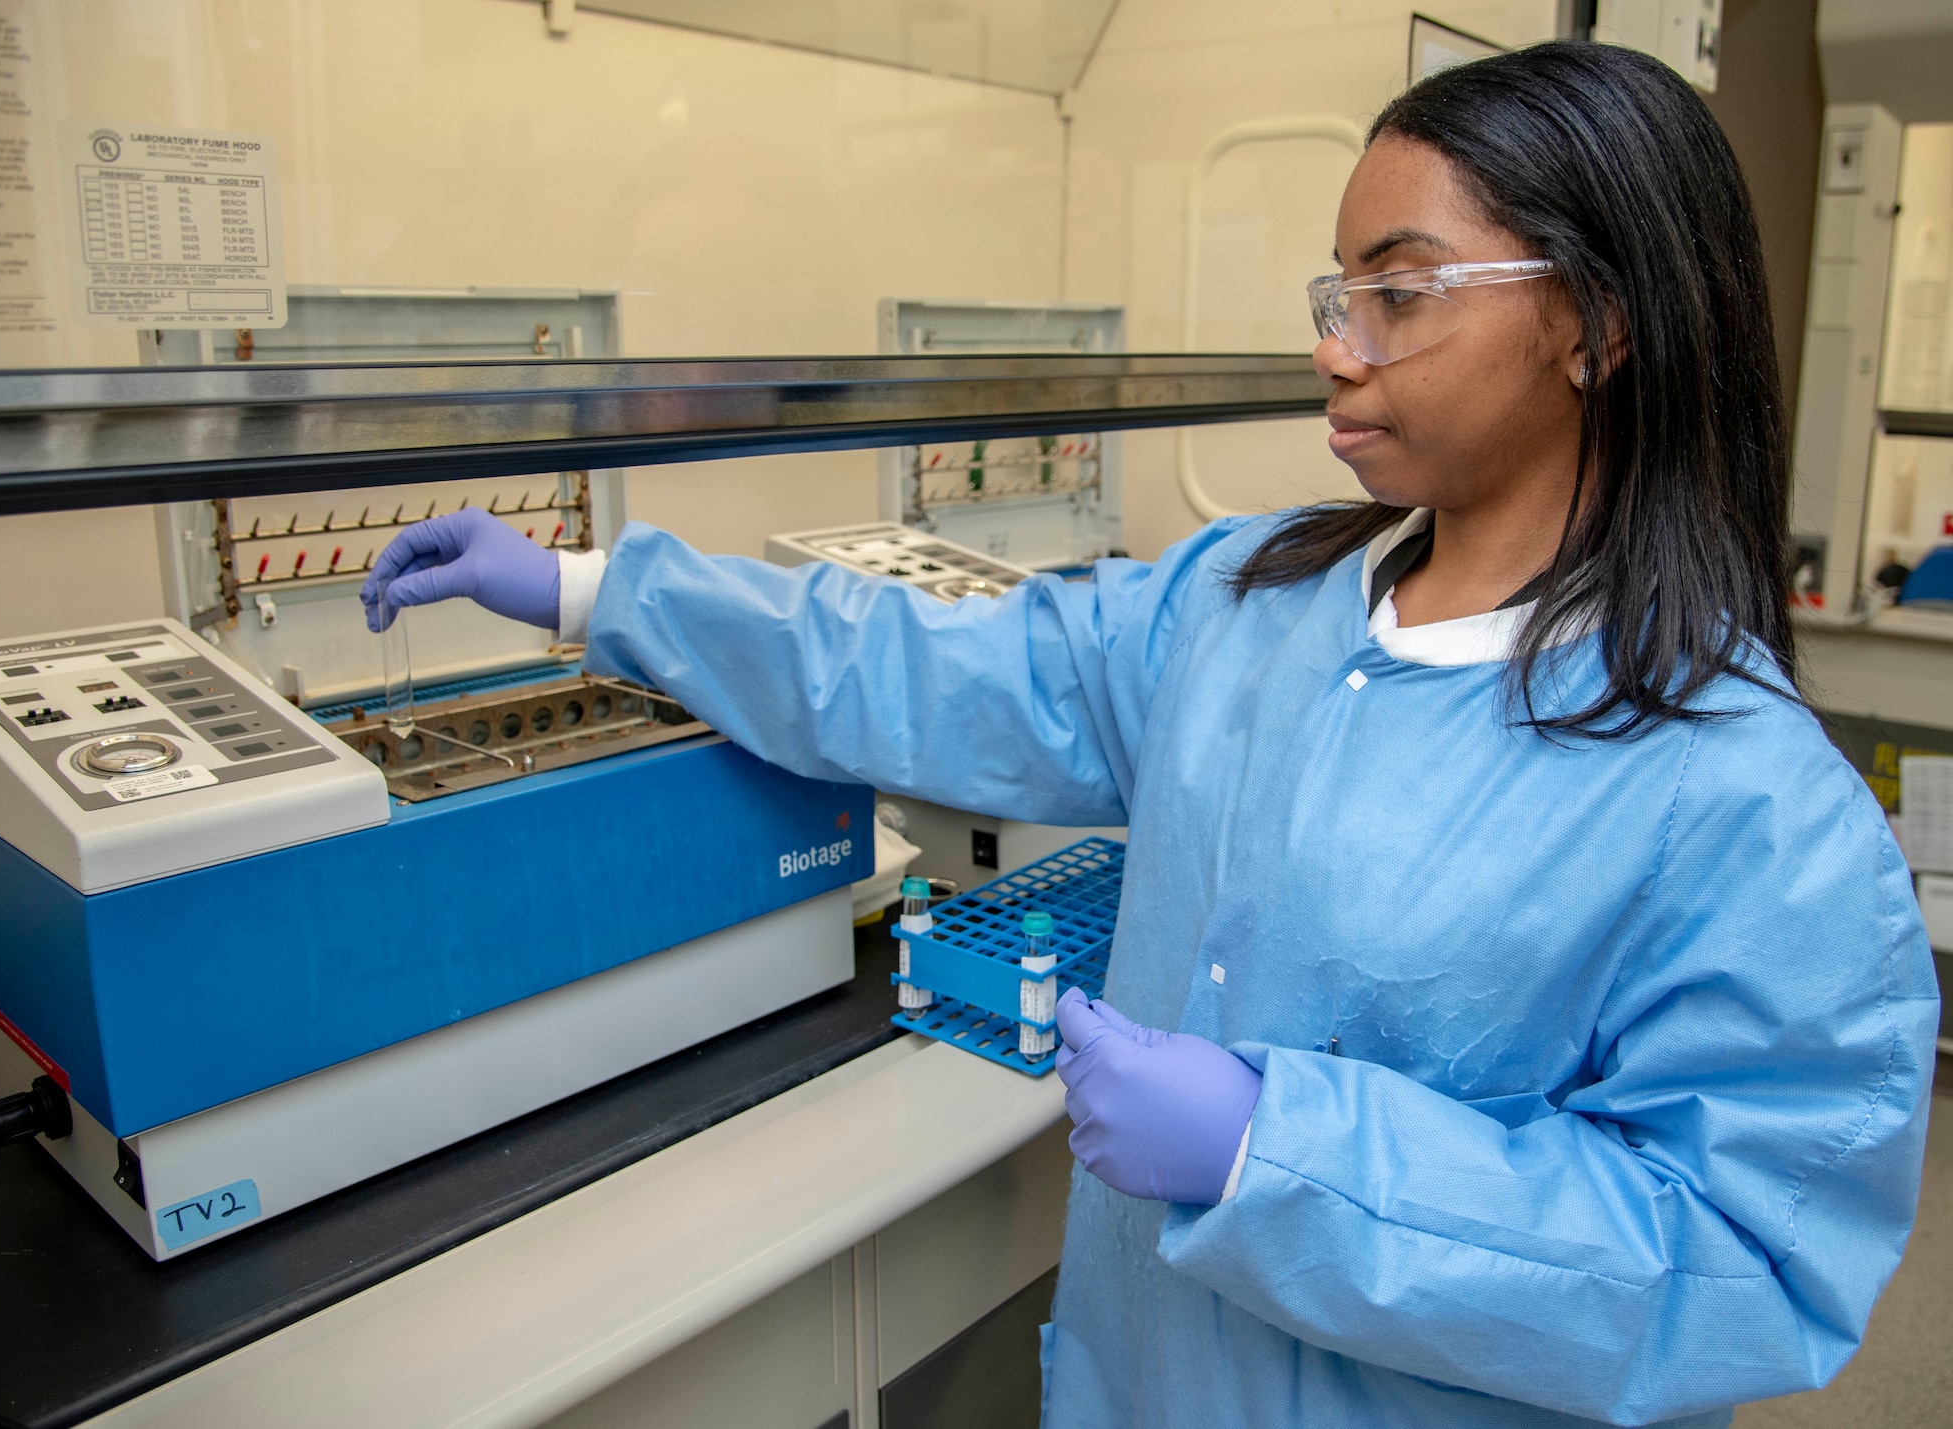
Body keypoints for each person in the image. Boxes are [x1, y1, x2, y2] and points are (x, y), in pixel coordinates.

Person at [362, 41, 1938, 1429]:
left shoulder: (1744, 795)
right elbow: (935, 666)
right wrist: (587, 587)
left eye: (1400, 292)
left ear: (1596, 323)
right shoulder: (1250, 602)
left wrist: (1279, 1150)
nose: (1337, 344)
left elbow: (1743, 1256)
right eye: (1337, 294)